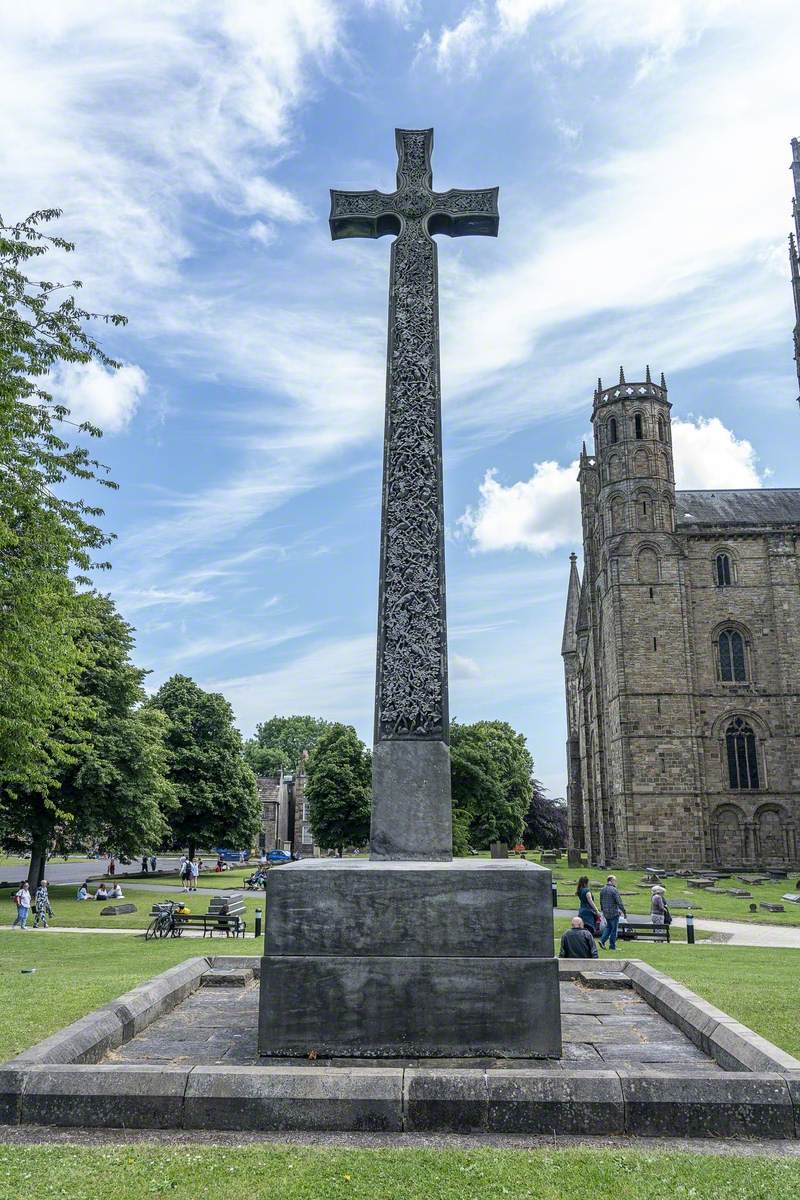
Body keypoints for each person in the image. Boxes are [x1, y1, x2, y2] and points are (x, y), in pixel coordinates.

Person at [599, 874, 627, 951]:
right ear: (611, 881)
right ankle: (612, 946)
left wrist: (603, 910)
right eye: (615, 880)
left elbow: (601, 901)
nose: (616, 882)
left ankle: (602, 940)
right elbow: (619, 902)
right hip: (614, 912)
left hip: (606, 912)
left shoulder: (603, 889)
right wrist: (624, 911)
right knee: (614, 929)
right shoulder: (614, 890)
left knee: (608, 927)